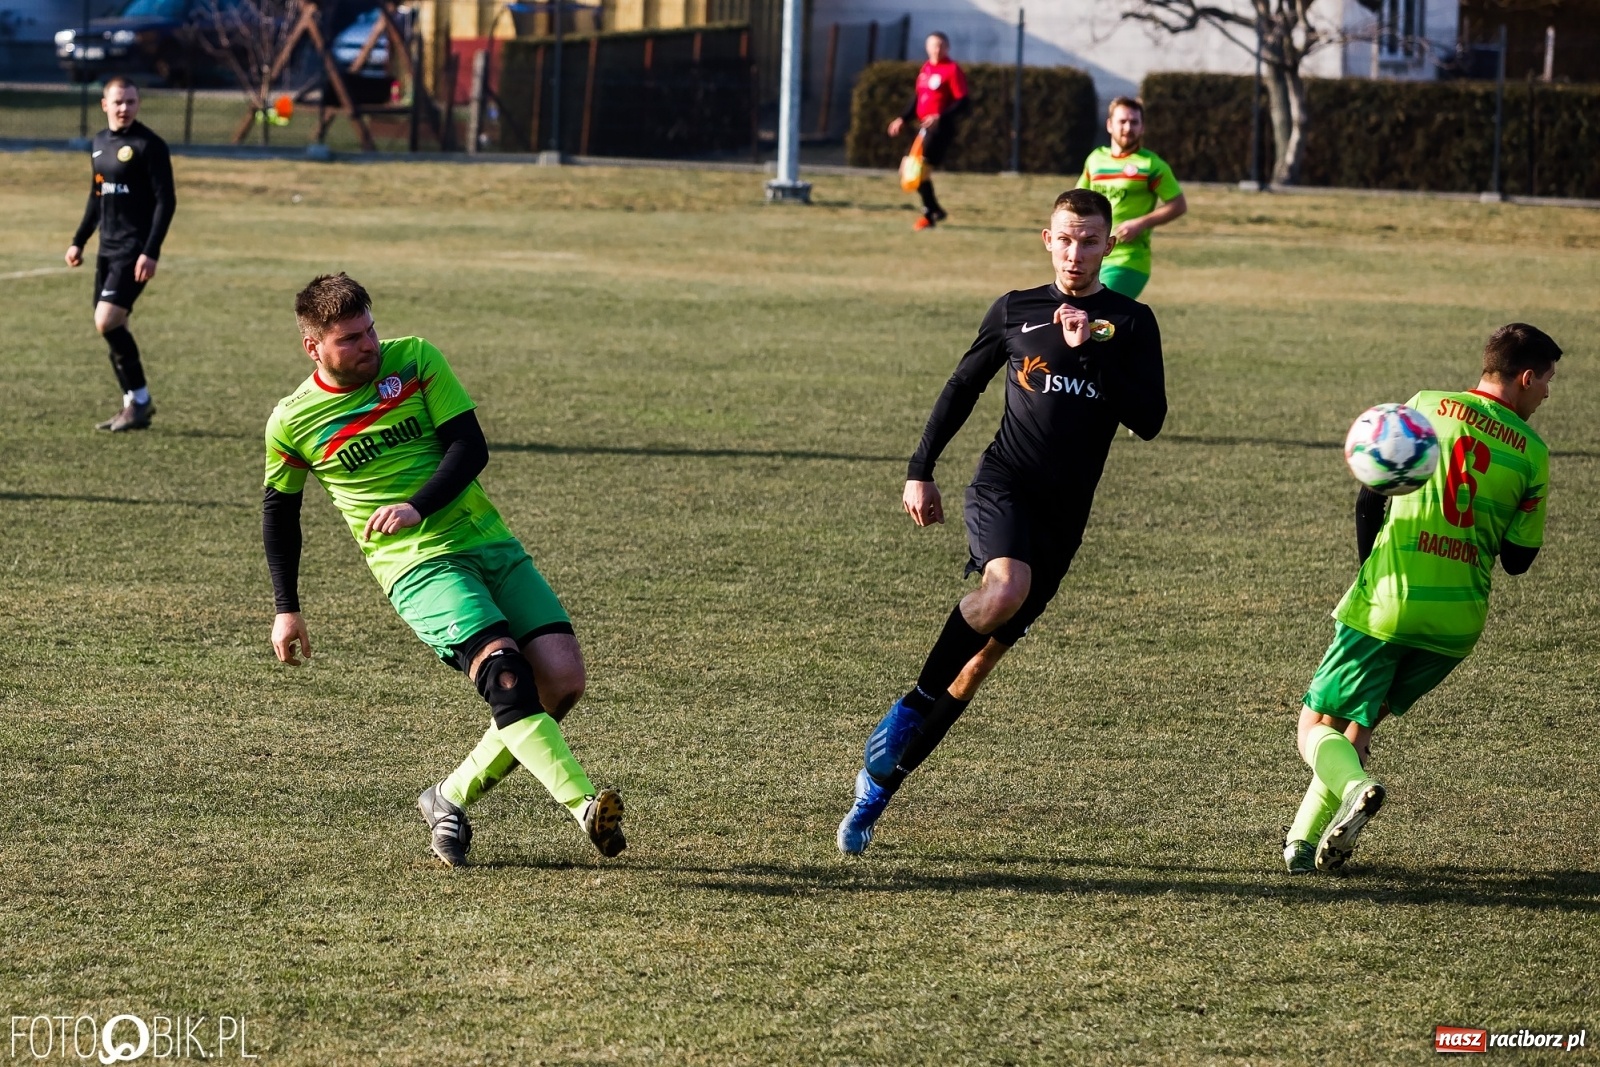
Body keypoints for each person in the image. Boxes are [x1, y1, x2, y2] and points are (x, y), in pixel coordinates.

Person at [836, 189, 1167, 854]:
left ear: (1110, 246)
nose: (1077, 254)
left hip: (1063, 521)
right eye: (1066, 239)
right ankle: (910, 705)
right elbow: (963, 385)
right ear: (1047, 239)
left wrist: (1092, 352)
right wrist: (920, 467)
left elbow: (1150, 420)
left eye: (1090, 241)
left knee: (976, 669)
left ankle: (878, 790)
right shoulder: (1016, 309)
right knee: (1004, 586)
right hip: (1003, 485)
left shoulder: (1131, 324)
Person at [262, 273, 625, 868]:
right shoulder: (292, 422)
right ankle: (585, 806)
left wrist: (416, 505)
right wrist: (287, 608)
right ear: (314, 348)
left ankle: (448, 796)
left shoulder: (417, 360)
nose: (370, 345)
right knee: (505, 673)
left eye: (371, 328)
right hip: (416, 567)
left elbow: (469, 447)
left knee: (561, 681)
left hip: (486, 540)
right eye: (351, 338)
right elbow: (280, 514)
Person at [1283, 324, 1560, 875]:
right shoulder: (1533, 453)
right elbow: (1518, 560)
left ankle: (1357, 786)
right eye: (1548, 381)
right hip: (1457, 623)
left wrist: (1370, 572)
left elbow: (1370, 497)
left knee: (1315, 727)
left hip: (1389, 602)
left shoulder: (1426, 407)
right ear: (1526, 378)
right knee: (1357, 726)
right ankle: (1302, 845)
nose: (1548, 393)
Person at [65, 77, 176, 432]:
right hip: (106, 250)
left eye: (131, 101)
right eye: (118, 102)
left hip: (133, 250)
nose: (124, 108)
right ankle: (132, 404)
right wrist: (79, 241)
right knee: (114, 326)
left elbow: (166, 201)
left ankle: (140, 399)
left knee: (106, 320)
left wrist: (150, 251)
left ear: (138, 104)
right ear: (105, 105)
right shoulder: (99, 143)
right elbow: (97, 196)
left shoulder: (150, 145)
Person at [1075, 97, 1185, 300]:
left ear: (1142, 127)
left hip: (1128, 260)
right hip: (1092, 256)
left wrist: (1141, 223)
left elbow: (1178, 205)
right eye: (1122, 121)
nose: (1128, 128)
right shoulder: (1095, 160)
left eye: (1134, 122)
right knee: (1088, 320)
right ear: (1109, 125)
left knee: (1097, 310)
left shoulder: (1151, 165)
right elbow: (1077, 202)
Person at [887, 32, 968, 231]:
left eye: (941, 45)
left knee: (917, 168)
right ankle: (934, 210)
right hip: (925, 128)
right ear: (927, 47)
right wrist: (902, 118)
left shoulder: (952, 70)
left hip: (941, 129)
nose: (937, 49)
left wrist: (939, 117)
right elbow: (918, 99)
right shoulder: (926, 69)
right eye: (933, 46)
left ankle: (929, 214)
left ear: (947, 48)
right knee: (910, 168)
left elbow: (963, 101)